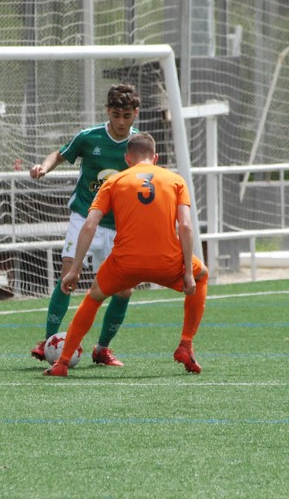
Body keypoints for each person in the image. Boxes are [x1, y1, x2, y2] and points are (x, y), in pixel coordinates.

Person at [44, 132, 208, 377]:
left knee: (94, 297)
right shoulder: (175, 180)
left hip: (124, 264)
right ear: (155, 157)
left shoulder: (114, 181)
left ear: (127, 159)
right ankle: (185, 344)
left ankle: (63, 362)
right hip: (166, 261)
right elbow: (185, 226)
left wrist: (75, 270)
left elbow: (89, 225)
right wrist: (188, 272)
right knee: (202, 274)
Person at [29, 83, 141, 367]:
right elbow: (59, 154)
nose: (121, 122)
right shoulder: (89, 138)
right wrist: (43, 167)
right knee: (69, 277)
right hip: (84, 216)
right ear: (107, 111)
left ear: (135, 114)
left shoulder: (139, 144)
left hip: (119, 225)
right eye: (116, 115)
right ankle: (49, 341)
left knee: (124, 290)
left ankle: (102, 349)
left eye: (127, 116)